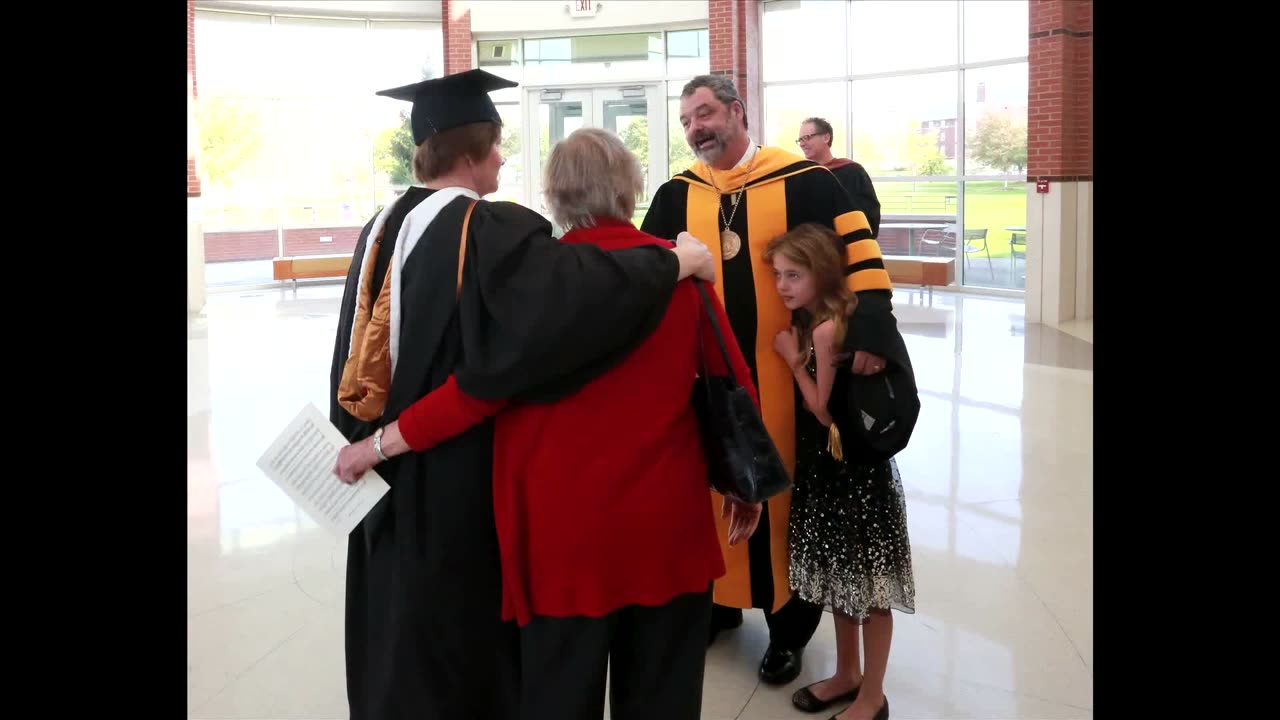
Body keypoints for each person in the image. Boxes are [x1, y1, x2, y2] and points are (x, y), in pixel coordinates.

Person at [336, 127, 761, 720]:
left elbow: (472, 394)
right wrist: (748, 485)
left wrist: (377, 446)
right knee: (664, 698)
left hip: (560, 542)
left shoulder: (535, 286)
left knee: (559, 699)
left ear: (555, 198)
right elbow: (734, 385)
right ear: (632, 188)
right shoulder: (684, 276)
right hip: (667, 530)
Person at [640, 73, 898, 686]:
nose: (696, 128)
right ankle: (719, 604)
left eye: (704, 114)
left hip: (792, 373)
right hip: (709, 377)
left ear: (737, 111)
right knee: (713, 484)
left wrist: (870, 338)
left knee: (789, 495)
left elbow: (859, 255)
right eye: (687, 121)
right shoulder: (678, 193)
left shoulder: (807, 182)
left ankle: (789, 630)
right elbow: (644, 268)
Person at [766, 223, 915, 720]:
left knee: (869, 587)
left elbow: (825, 411)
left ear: (821, 273)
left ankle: (873, 696)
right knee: (842, 580)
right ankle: (848, 674)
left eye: (793, 275)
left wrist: (791, 361)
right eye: (778, 275)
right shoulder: (827, 316)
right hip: (836, 472)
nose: (783, 286)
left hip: (853, 477)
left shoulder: (828, 328)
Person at [796, 117, 881, 238]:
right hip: (811, 248)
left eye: (807, 138)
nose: (802, 144)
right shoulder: (801, 175)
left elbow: (869, 214)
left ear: (826, 138)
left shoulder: (852, 172)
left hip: (843, 246)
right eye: (800, 140)